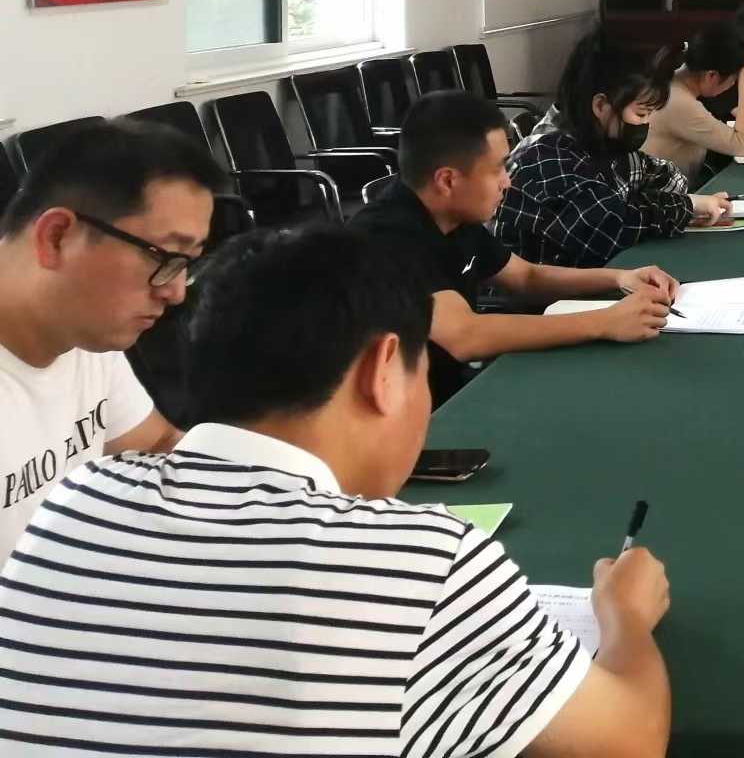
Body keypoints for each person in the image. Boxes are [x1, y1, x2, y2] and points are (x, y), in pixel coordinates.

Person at [0, 227, 673, 754]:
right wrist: (624, 616)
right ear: (383, 369)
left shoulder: (74, 502)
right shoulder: (423, 561)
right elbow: (629, 740)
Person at [349, 90, 680, 407]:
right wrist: (605, 322)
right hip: (395, 416)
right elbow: (465, 336)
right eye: (496, 168)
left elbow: (526, 277)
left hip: (446, 393)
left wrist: (620, 278)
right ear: (447, 180)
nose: (506, 181)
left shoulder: (453, 214)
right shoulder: (387, 237)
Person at [0, 120, 226, 559]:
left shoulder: (82, 329)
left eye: (187, 264)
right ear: (56, 237)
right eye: (164, 257)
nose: (175, 292)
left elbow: (155, 446)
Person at [497, 28, 728, 270]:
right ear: (601, 106)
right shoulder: (547, 157)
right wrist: (685, 205)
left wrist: (648, 205)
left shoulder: (603, 143)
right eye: (641, 114)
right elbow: (610, 230)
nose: (647, 123)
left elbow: (666, 175)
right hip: (551, 289)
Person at [644, 24, 744, 180]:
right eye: (734, 80)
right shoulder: (679, 102)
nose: (733, 84)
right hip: (664, 192)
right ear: (712, 76)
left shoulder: (673, 80)